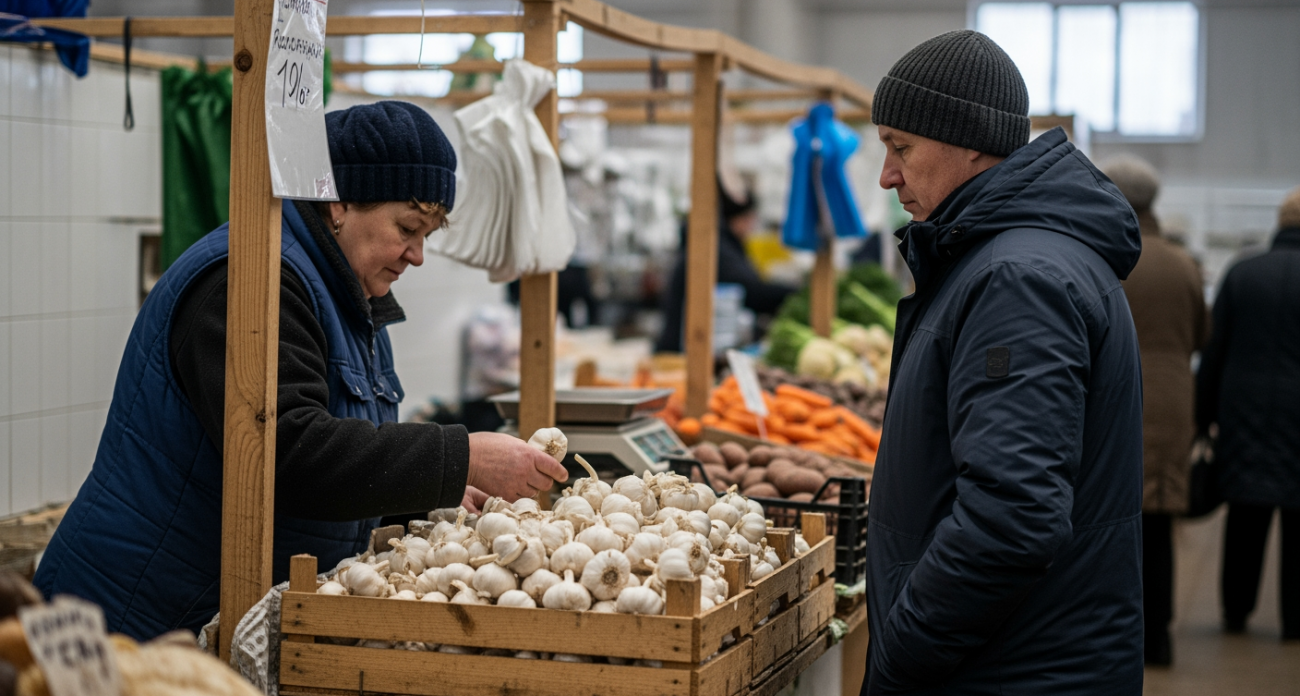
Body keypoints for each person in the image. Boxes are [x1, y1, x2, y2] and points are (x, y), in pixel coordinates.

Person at [33, 102, 568, 640]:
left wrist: (421, 496)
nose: (417, 255)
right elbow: (287, 452)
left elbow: (345, 454)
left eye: (426, 234)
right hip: (133, 620)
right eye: (408, 228)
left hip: (216, 618)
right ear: (339, 203)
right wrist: (461, 457)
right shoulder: (248, 281)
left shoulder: (352, 302)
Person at [862, 31, 1144, 694]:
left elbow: (1012, 516)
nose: (887, 175)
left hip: (1011, 671)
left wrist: (900, 654)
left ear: (969, 142)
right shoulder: (1007, 260)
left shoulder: (1018, 280)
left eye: (902, 147)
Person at [1102, 155, 1210, 665]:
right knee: (1160, 522)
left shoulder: (1108, 255)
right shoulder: (1183, 263)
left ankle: (1114, 633)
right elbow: (1201, 334)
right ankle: (1159, 638)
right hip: (1171, 402)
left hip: (1115, 396)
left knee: (1110, 521)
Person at [1196, 186, 1300, 641]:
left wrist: (1202, 416)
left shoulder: (1243, 272)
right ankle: (1295, 620)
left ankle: (1236, 611)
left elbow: (1214, 349)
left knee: (1244, 513)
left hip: (1243, 408)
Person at [656, 183, 796, 353]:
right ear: (741, 218)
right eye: (751, 218)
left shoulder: (722, 244)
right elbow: (751, 291)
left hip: (688, 344)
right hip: (684, 350)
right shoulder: (716, 248)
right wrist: (796, 292)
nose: (752, 225)